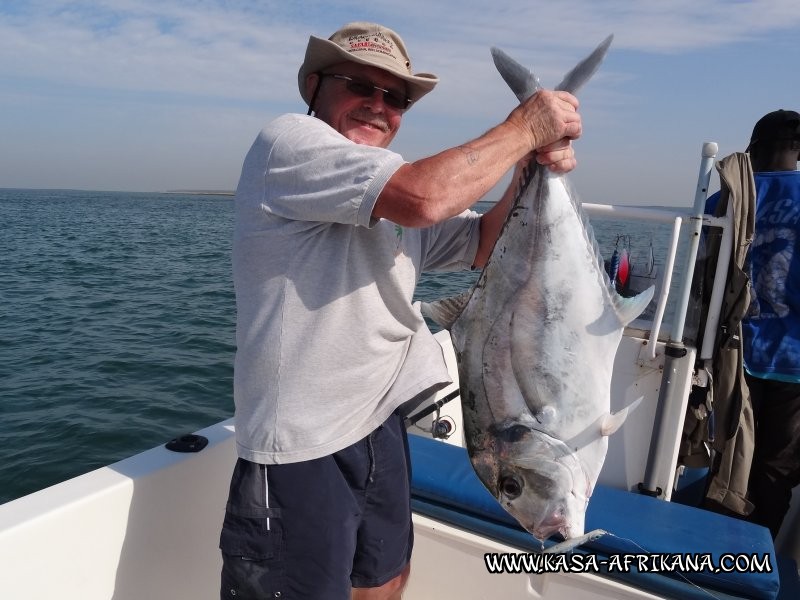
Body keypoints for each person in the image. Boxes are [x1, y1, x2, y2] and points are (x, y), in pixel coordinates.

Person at [221, 22, 582, 599]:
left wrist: (528, 165)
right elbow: (424, 197)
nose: (378, 104)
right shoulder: (289, 143)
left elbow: (484, 242)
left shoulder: (384, 190)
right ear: (314, 86)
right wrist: (526, 127)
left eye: (395, 96)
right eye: (357, 85)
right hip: (302, 444)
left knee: (385, 580)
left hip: (378, 424)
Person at [738, 110, 800, 538]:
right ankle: (757, 562)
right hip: (795, 362)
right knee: (777, 469)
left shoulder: (730, 194)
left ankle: (714, 547)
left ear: (754, 148)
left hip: (732, 353)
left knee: (729, 459)